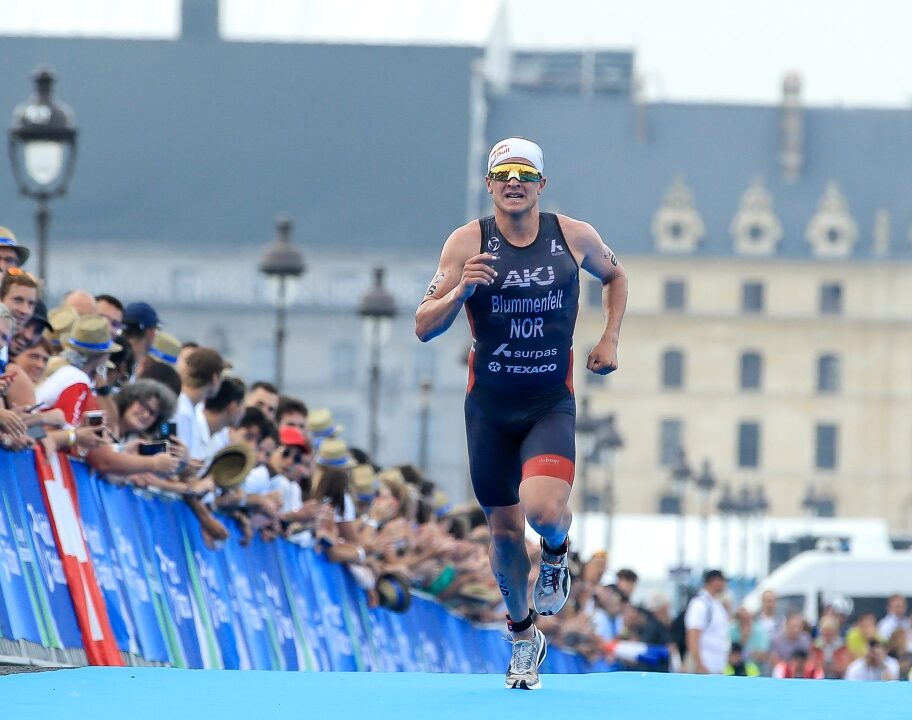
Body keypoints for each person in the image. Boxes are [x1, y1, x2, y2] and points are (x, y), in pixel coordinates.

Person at [414, 137, 628, 689]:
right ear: (489, 185)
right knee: (505, 534)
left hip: (547, 402)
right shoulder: (467, 242)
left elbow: (616, 277)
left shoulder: (573, 235)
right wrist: (463, 289)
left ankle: (556, 552)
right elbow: (423, 324)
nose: (514, 183)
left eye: (524, 174)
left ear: (541, 184)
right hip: (488, 408)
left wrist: (609, 339)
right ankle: (522, 634)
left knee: (543, 509)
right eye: (503, 174)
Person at [684, 569, 731, 674]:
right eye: (723, 581)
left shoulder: (716, 604)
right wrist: (699, 664)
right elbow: (693, 636)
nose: (725, 585)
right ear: (715, 581)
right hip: (705, 664)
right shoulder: (700, 604)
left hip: (717, 665)